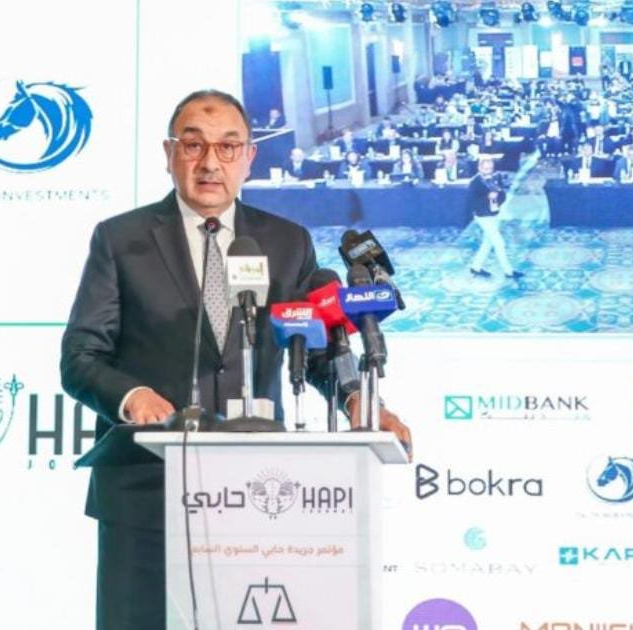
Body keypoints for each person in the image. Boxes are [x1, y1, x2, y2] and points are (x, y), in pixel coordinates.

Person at [60, 89, 412, 630]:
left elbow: (317, 348)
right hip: (145, 492)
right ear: (169, 153)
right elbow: (81, 355)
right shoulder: (121, 239)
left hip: (256, 494)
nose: (210, 163)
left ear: (249, 157)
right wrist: (132, 397)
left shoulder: (287, 242)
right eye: (193, 145)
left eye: (228, 147)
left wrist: (356, 399)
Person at [468, 157, 522, 280]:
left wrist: (497, 198)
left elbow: (503, 194)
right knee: (499, 243)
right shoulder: (475, 183)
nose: (489, 171)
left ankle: (475, 267)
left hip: (494, 214)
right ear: (480, 168)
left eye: (490, 169)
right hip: (483, 216)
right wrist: (488, 198)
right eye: (486, 169)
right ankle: (508, 271)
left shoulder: (495, 178)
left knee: (487, 242)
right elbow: (473, 203)